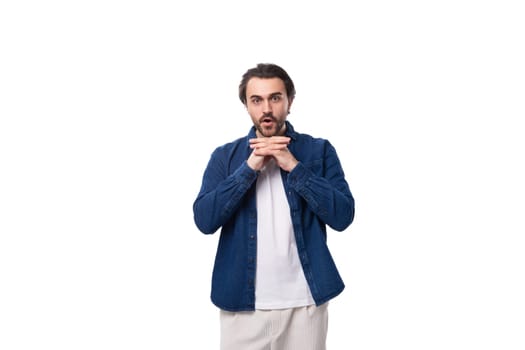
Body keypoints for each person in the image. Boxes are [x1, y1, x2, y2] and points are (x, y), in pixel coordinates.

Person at [193, 63, 355, 350]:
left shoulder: (319, 151)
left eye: (275, 98)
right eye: (257, 100)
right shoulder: (225, 157)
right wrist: (249, 168)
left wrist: (294, 166)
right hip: (241, 308)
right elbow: (205, 220)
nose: (266, 108)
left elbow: (343, 216)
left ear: (289, 101)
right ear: (246, 105)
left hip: (306, 306)